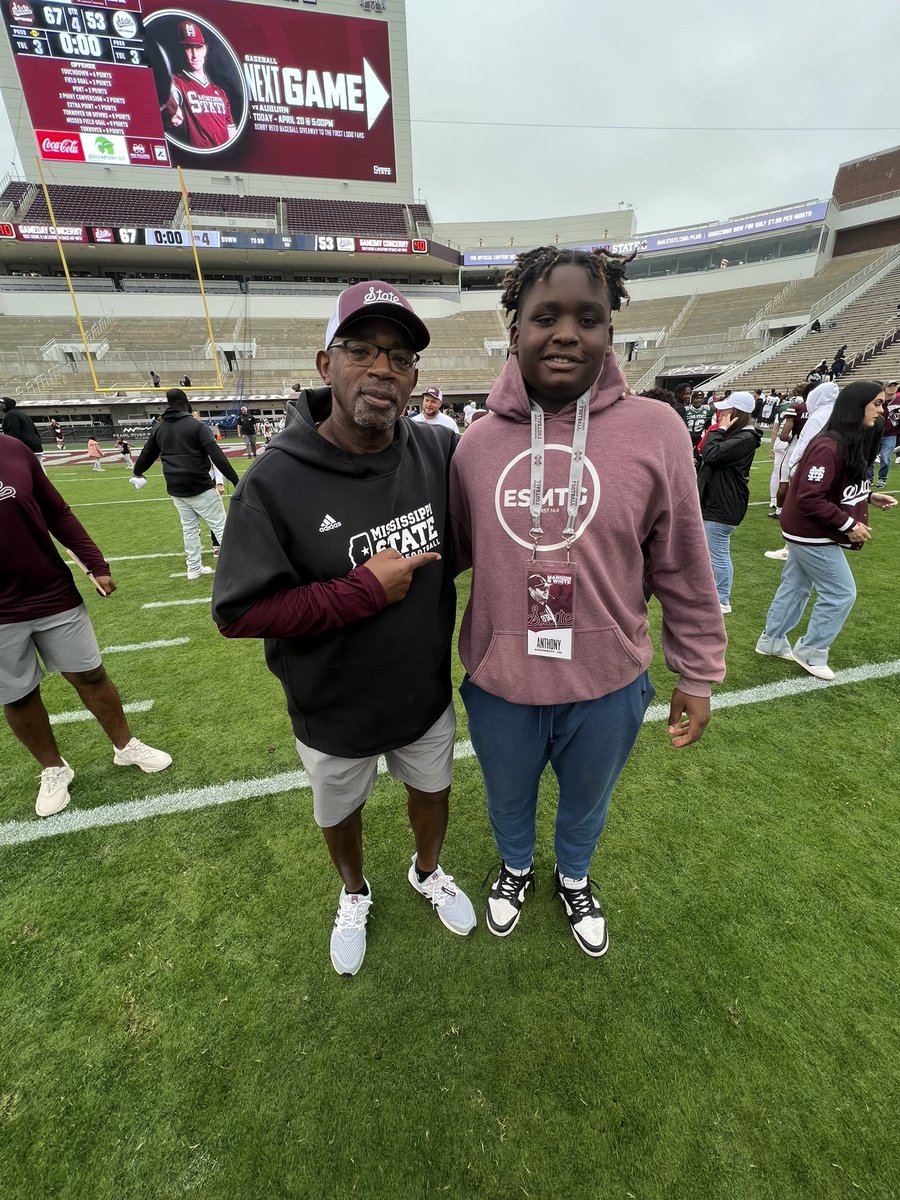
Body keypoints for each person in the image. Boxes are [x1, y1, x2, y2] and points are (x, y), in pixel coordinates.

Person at [449, 246, 726, 958]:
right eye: (545, 316)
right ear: (514, 333)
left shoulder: (657, 430)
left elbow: (685, 562)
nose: (566, 333)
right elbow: (449, 558)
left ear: (611, 333)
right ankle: (514, 870)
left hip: (607, 682)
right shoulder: (475, 445)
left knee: (587, 803)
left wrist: (697, 671)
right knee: (506, 802)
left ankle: (574, 876)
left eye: (589, 318)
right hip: (502, 681)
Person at [211, 280, 475, 977]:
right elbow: (238, 612)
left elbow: (474, 545)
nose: (382, 368)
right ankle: (354, 891)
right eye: (361, 349)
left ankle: (426, 871)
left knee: (433, 792)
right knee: (340, 811)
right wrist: (360, 592)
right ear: (326, 364)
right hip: (329, 705)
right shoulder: (272, 481)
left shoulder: (438, 452)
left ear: (415, 377)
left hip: (422, 694)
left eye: (399, 356)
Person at [0, 437, 171, 817]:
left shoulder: (12, 449)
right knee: (17, 694)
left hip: (52, 592)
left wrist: (96, 562)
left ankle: (125, 746)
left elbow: (57, 512)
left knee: (90, 674)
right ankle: (53, 768)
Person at [756, 381, 896, 681]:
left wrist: (868, 496)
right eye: (877, 403)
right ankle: (811, 650)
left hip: (806, 530)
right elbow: (810, 496)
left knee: (795, 586)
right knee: (841, 593)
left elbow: (834, 486)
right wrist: (849, 524)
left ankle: (771, 640)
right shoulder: (829, 445)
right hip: (811, 532)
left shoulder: (843, 440)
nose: (881, 410)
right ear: (857, 406)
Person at [132, 388, 239, 580]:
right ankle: (240, 569)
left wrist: (138, 472)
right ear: (186, 402)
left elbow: (147, 453)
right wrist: (236, 480)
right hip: (199, 485)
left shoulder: (160, 427)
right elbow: (216, 455)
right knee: (221, 526)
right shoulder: (196, 426)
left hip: (176, 488)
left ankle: (193, 568)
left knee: (189, 529)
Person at [697, 392, 763, 615]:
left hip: (723, 505)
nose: (721, 413)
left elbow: (713, 455)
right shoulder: (738, 436)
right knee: (710, 552)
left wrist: (720, 430)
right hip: (716, 501)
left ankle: (722, 599)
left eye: (726, 410)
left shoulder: (744, 438)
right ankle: (712, 594)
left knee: (718, 553)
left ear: (738, 413)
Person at [163, 21, 237, 149]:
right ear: (182, 51)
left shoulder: (220, 92)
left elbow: (232, 135)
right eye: (188, 48)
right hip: (198, 161)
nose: (194, 55)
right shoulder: (178, 82)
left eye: (197, 47)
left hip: (225, 162)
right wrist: (172, 110)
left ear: (205, 49)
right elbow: (166, 89)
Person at [868, 379, 898, 489]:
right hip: (875, 432)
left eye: (895, 385)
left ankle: (882, 479)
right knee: (870, 457)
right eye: (890, 385)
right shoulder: (879, 399)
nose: (892, 387)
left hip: (890, 434)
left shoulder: (899, 399)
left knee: (885, 457)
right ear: (885, 388)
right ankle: (869, 478)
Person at [1, 397, 44, 468]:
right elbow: (34, 430)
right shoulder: (20, 413)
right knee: (38, 469)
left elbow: (14, 433)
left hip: (26, 447)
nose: (0, 406)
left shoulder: (11, 414)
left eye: (2, 404)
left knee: (22, 469)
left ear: (8, 404)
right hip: (35, 446)